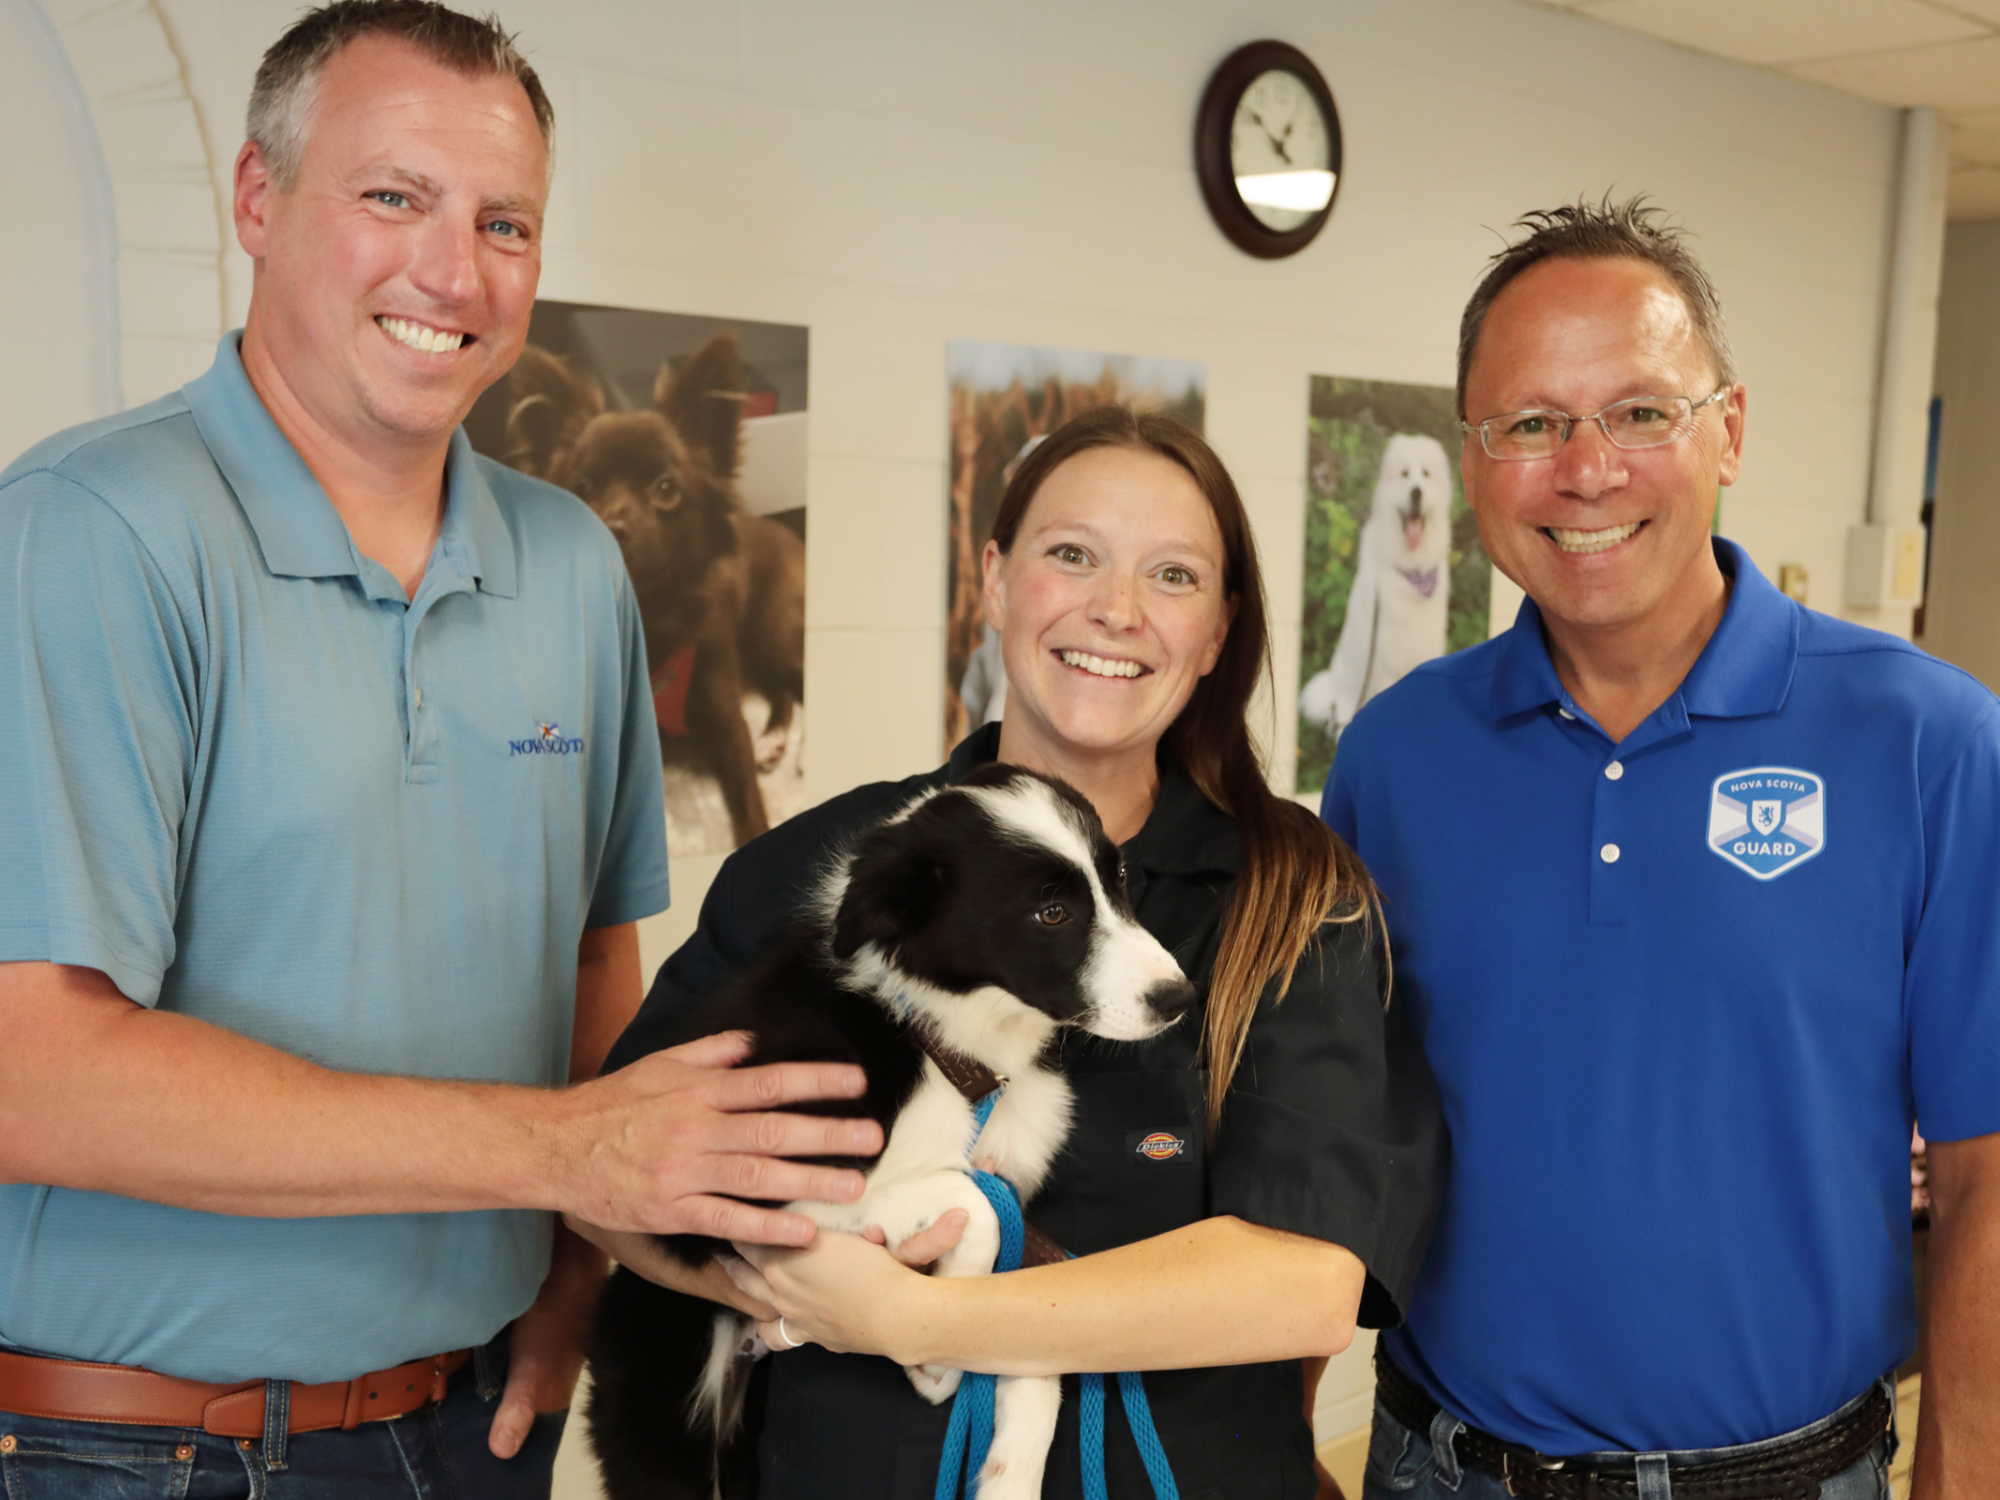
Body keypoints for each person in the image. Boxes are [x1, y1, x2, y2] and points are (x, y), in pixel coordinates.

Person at [0, 3, 883, 1494]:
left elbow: (596, 968)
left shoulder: (572, 566)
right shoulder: (93, 532)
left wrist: (573, 1279)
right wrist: (558, 1158)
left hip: (475, 1427)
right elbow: (40, 1071)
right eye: (393, 196)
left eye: (506, 222)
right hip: (147, 1447)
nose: (453, 271)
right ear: (259, 201)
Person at [578, 405, 1447, 1500]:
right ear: (993, 582)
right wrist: (796, 1274)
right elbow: (612, 1176)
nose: (1115, 610)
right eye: (1070, 554)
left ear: (1218, 630)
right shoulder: (832, 872)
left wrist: (921, 1317)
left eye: (1171, 576)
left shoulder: (1293, 902)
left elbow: (1307, 1284)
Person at [1320, 199, 2000, 1500]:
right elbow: (1331, 1127)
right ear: (1472, 460)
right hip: (1440, 1468)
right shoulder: (1395, 760)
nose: (1587, 470)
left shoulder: (1931, 744)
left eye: (1641, 412)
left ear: (1728, 430)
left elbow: (1988, 1174)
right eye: (1531, 424)